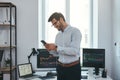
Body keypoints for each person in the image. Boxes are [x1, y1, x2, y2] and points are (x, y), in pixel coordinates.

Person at [44, 12, 82, 80]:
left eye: (55, 23)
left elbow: (74, 51)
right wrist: (50, 49)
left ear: (61, 19)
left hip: (73, 69)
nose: (55, 26)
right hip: (60, 68)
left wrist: (56, 47)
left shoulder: (75, 31)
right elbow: (57, 53)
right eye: (53, 25)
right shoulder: (58, 36)